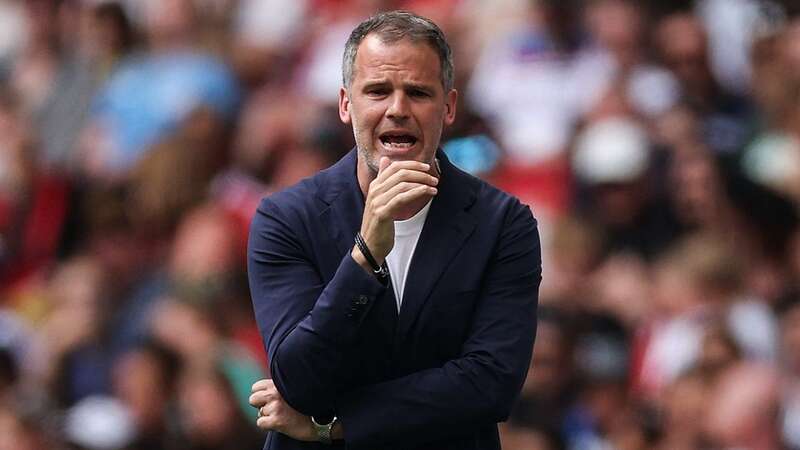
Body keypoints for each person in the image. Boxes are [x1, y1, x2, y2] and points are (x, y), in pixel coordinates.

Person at [247, 11, 541, 450]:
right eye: (378, 91)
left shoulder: (504, 224)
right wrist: (364, 256)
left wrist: (334, 424)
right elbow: (298, 379)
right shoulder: (285, 218)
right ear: (346, 104)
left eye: (418, 92)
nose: (397, 109)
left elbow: (489, 385)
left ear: (449, 106)